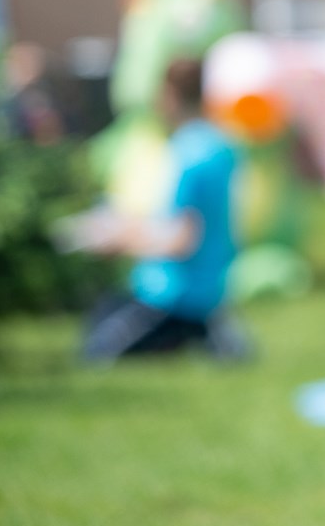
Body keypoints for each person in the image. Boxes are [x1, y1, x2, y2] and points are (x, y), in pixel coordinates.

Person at [74, 57, 249, 362]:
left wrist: (118, 241)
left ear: (169, 94)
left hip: (172, 297)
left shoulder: (188, 153)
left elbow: (181, 239)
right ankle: (214, 334)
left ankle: (201, 334)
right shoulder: (221, 145)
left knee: (97, 351)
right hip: (212, 289)